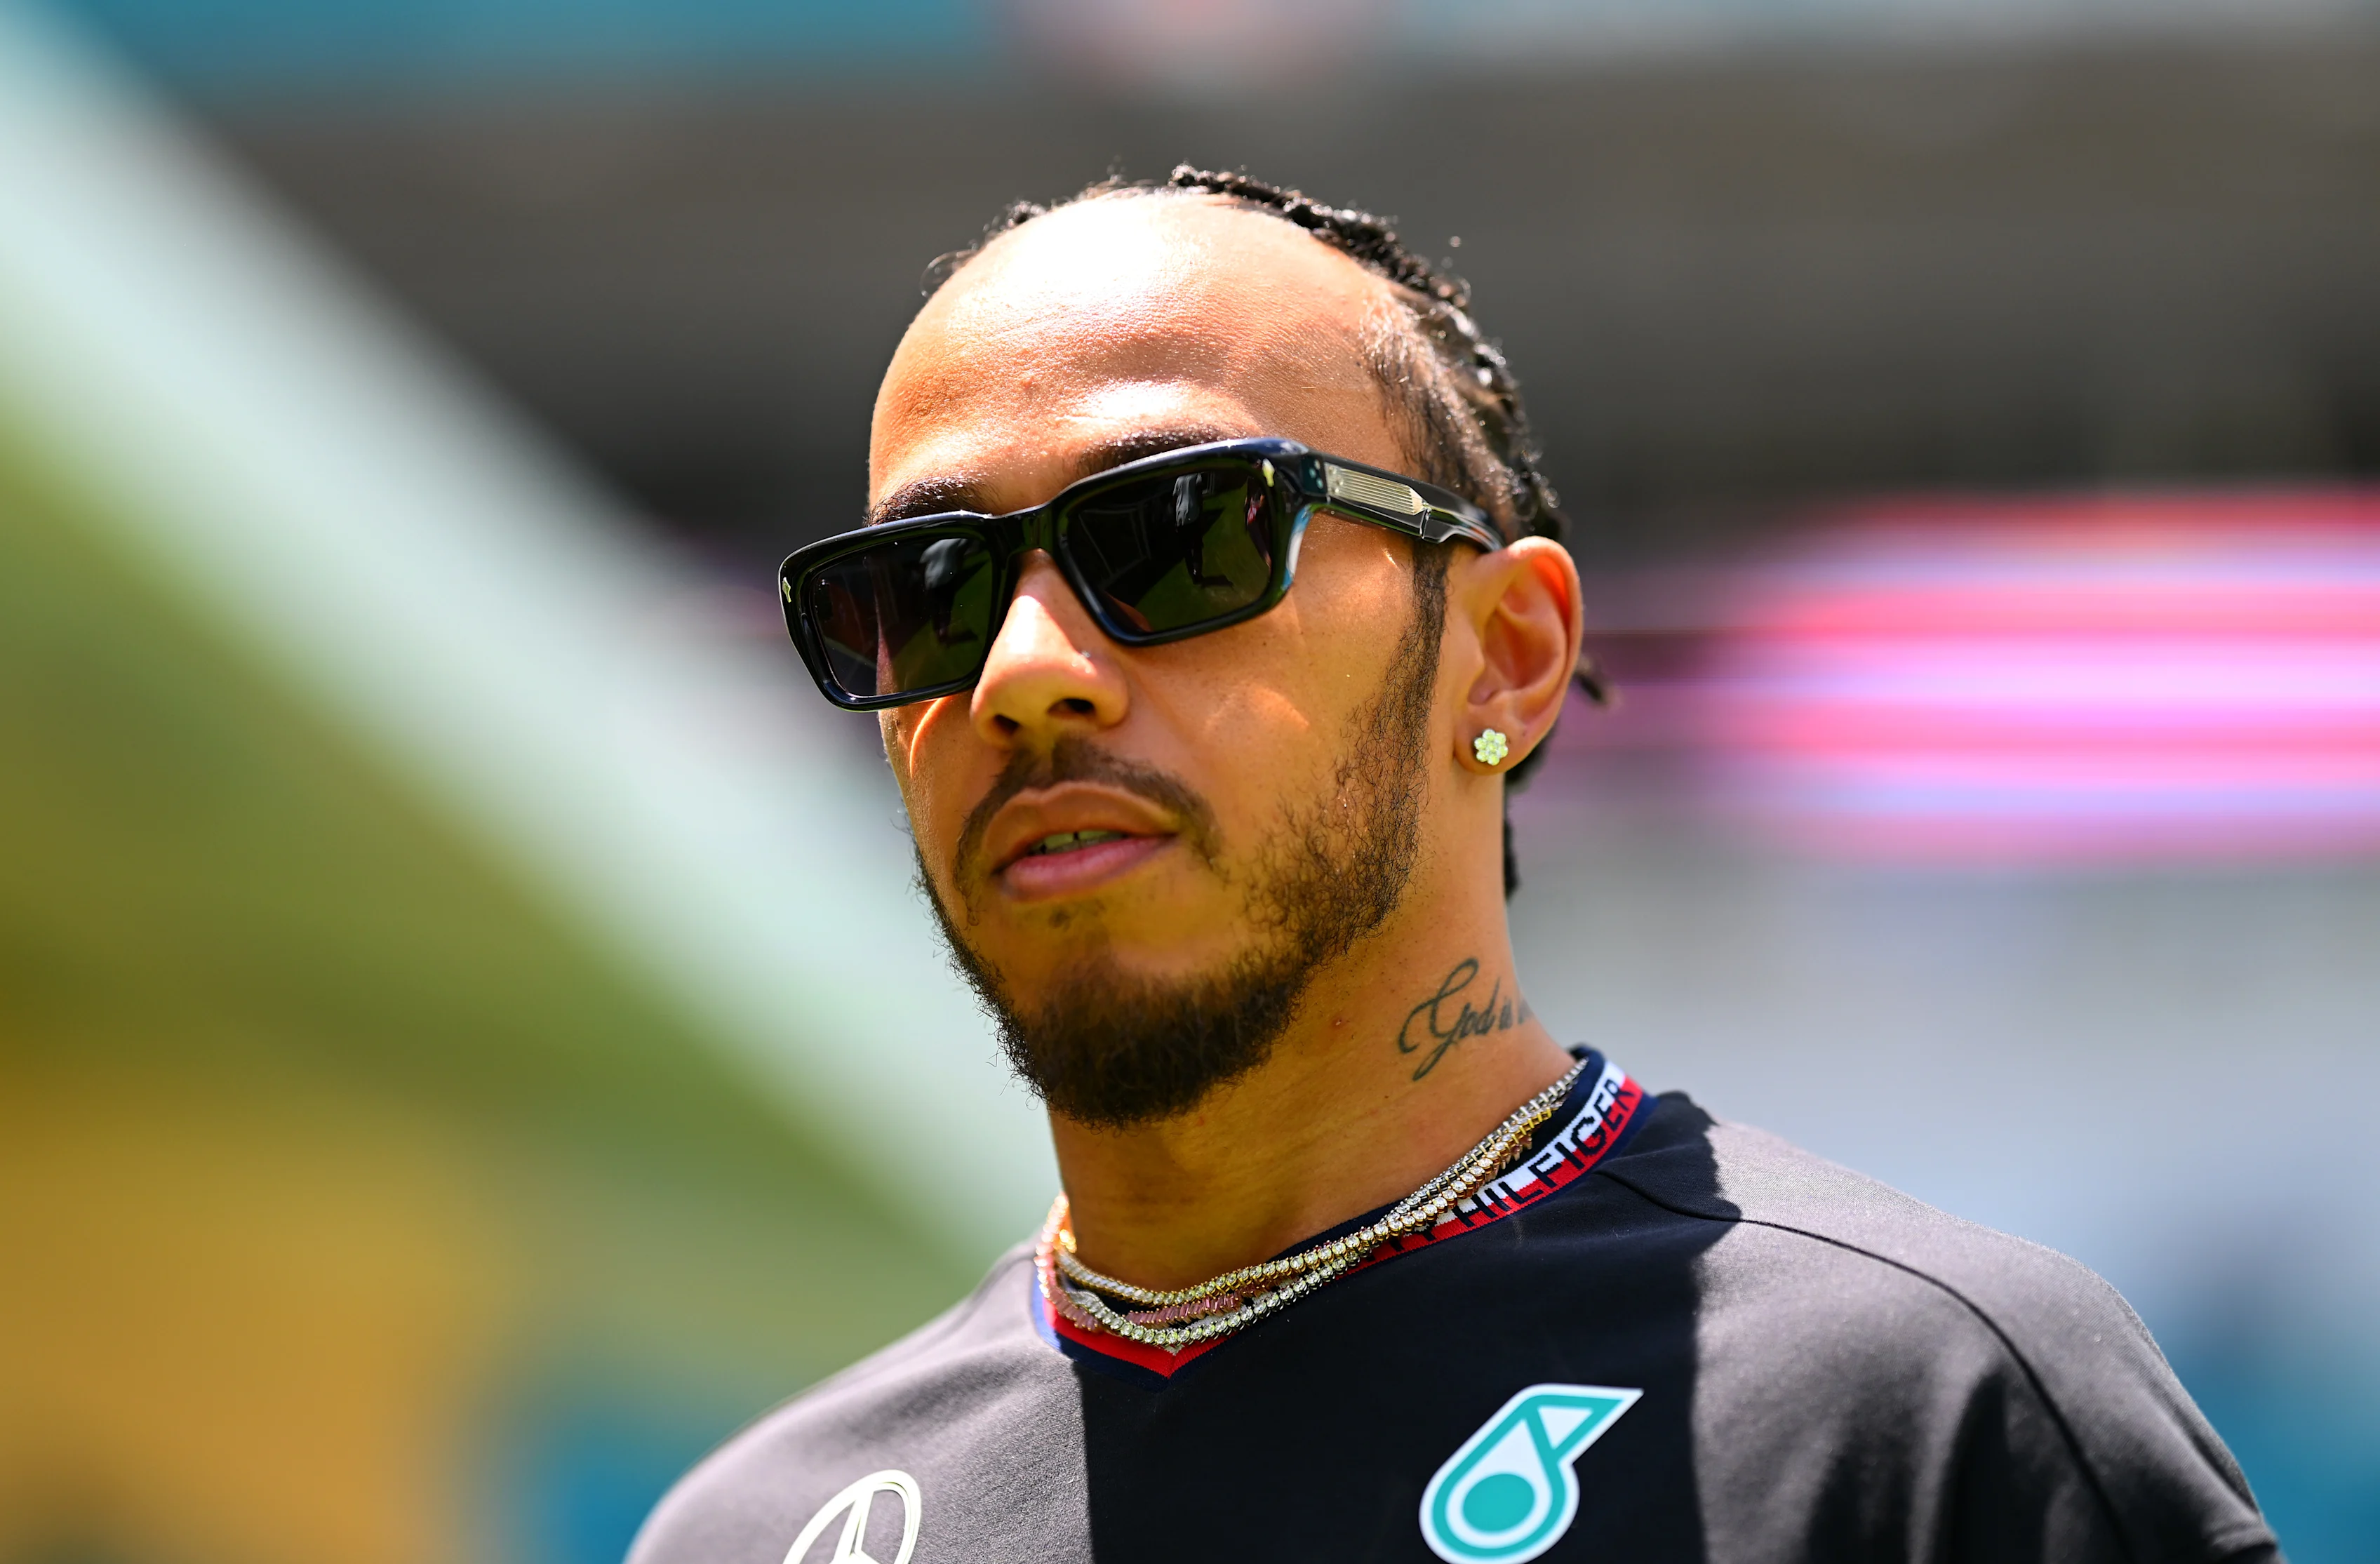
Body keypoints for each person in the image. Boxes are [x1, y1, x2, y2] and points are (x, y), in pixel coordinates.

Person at [628, 168, 2277, 1564]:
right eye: (926, 587)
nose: (1023, 670)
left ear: (1504, 654)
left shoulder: (1918, 1411)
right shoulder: (753, 1531)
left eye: (1180, 530)